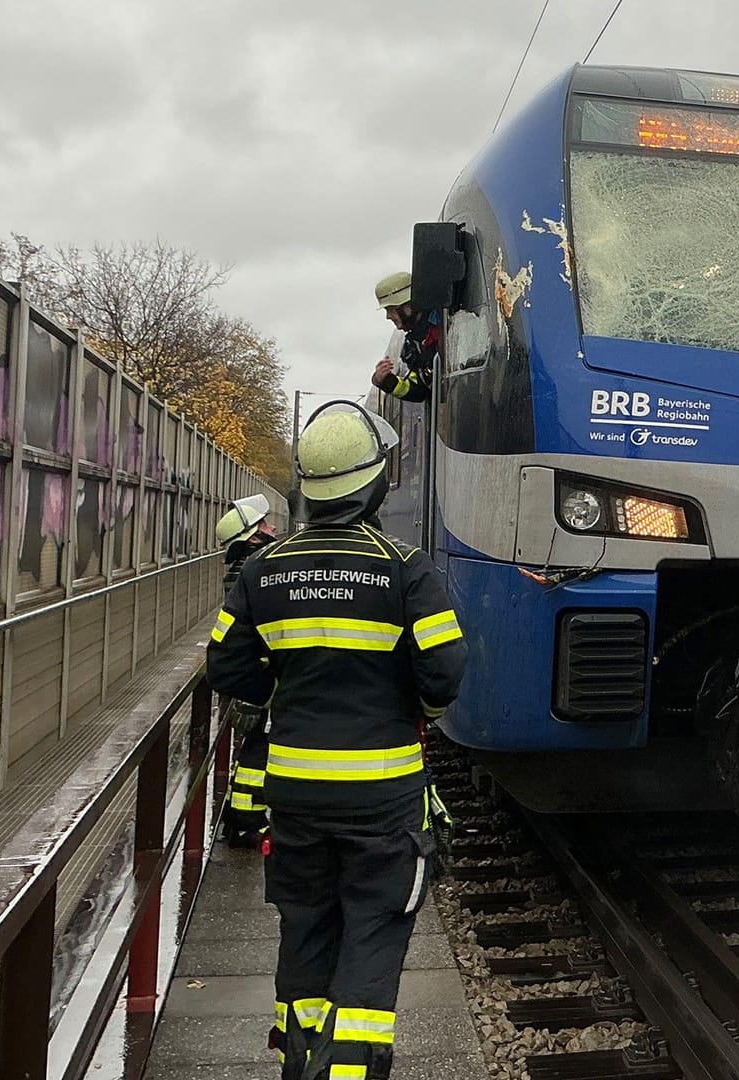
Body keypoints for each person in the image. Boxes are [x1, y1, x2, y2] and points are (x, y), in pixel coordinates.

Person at [207, 401, 468, 1080]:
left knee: (306, 929)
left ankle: (300, 1061)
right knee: (373, 938)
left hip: (293, 796)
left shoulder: (264, 571)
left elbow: (225, 669)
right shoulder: (407, 571)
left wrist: (283, 694)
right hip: (382, 801)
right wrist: (409, 703)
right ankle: (348, 1070)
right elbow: (444, 677)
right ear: (376, 482)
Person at [214, 494, 278, 848]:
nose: (273, 529)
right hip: (262, 679)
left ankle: (242, 816)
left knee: (253, 747)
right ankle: (246, 820)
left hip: (251, 676)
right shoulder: (256, 571)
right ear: (253, 536)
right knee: (259, 748)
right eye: (266, 525)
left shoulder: (241, 570)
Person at [370, 271, 441, 403]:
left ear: (408, 305)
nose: (388, 317)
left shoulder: (445, 323)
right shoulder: (414, 345)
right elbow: (420, 391)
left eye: (390, 309)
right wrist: (387, 382)